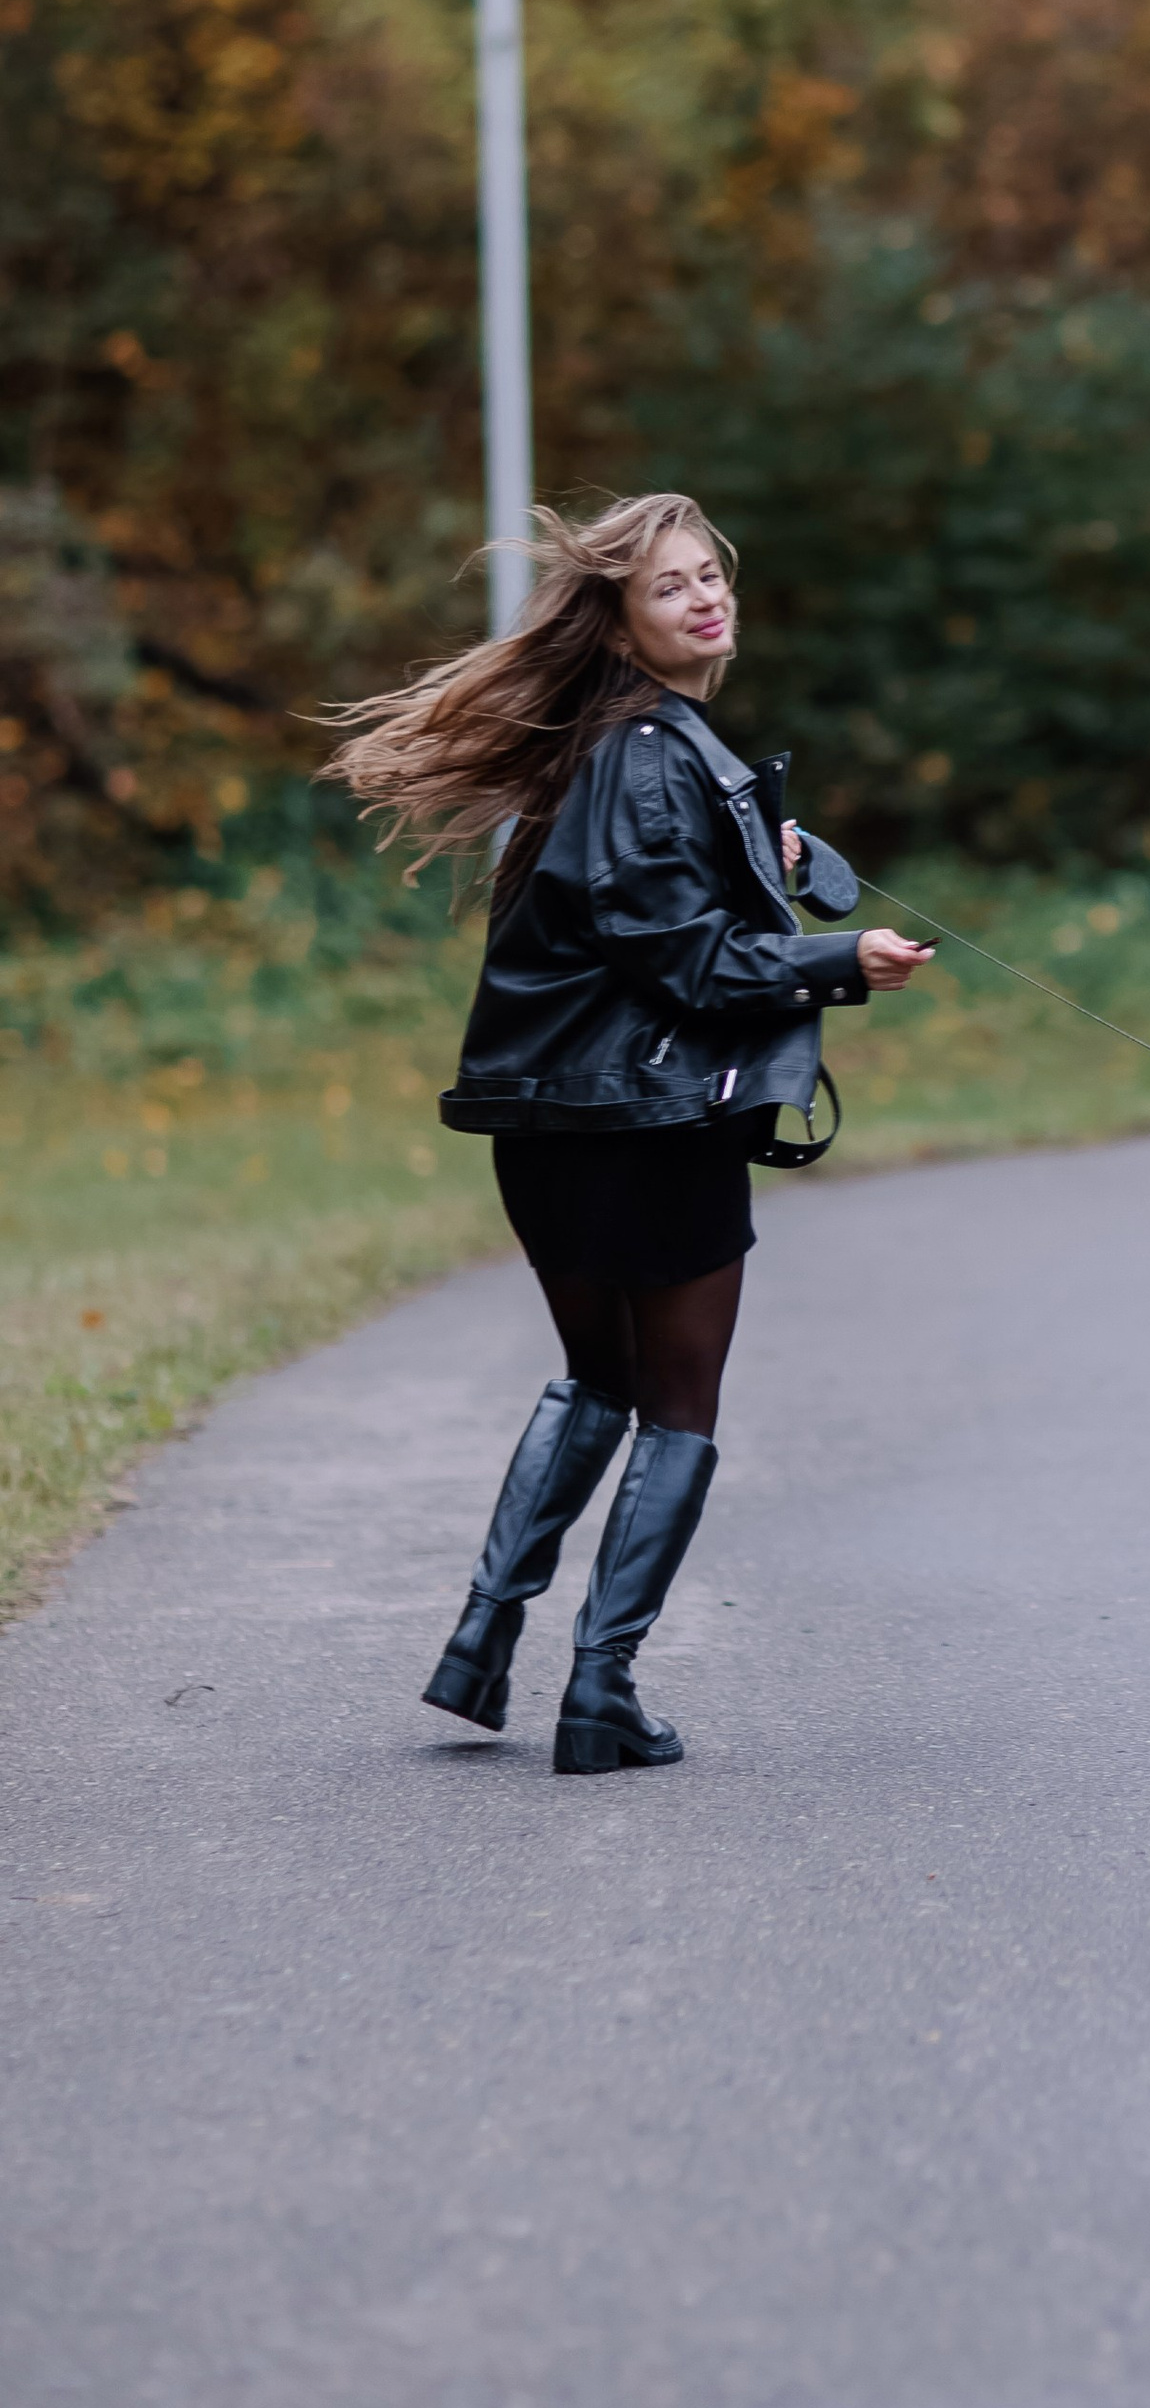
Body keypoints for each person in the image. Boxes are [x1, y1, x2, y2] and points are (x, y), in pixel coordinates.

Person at [324, 492, 932, 1773]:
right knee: (680, 1400)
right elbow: (681, 959)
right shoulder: (651, 754)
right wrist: (842, 960)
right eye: (670, 586)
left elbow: (642, 911)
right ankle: (598, 1693)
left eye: (712, 575)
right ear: (619, 616)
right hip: (643, 1119)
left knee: (601, 1378)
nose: (705, 598)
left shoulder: (613, 750)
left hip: (548, 1123)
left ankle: (482, 1644)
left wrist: (766, 859)